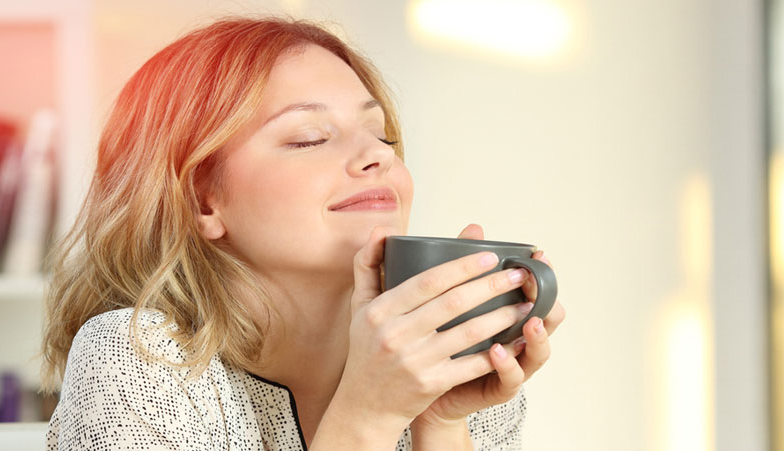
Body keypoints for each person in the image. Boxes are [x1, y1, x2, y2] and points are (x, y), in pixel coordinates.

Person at [39, 16, 566, 450]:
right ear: (203, 199)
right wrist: (369, 412)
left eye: (381, 134)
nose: (378, 155)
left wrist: (442, 421)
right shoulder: (136, 361)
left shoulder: (452, 371)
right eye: (310, 138)